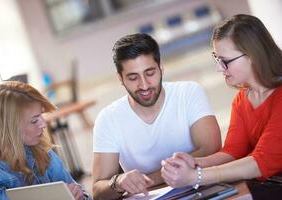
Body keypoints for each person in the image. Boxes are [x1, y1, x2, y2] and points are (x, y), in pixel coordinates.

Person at [92, 33, 222, 199]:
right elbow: (97, 191)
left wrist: (149, 180)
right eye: (133, 78)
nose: (144, 85)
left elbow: (212, 150)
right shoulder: (108, 119)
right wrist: (118, 182)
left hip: (202, 192)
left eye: (150, 73)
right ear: (120, 78)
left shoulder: (188, 93)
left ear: (161, 68)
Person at [161, 14, 282, 190]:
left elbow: (260, 162)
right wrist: (195, 163)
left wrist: (196, 176)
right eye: (217, 59)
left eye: (225, 61)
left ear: (252, 55)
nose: (219, 68)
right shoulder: (242, 99)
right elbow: (233, 151)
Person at [0, 81, 91, 200]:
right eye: (34, 121)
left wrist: (80, 195)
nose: (43, 124)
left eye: (41, 115)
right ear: (7, 128)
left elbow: (81, 193)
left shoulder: (41, 150)